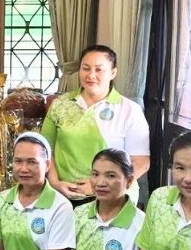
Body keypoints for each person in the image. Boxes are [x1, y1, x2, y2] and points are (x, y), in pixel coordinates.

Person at [41, 45, 150, 204]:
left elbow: (141, 162)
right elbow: (45, 149)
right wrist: (55, 182)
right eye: (86, 68)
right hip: (63, 194)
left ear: (113, 73)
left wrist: (99, 185)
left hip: (113, 198)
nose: (91, 75)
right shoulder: (60, 104)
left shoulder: (129, 110)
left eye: (99, 70)